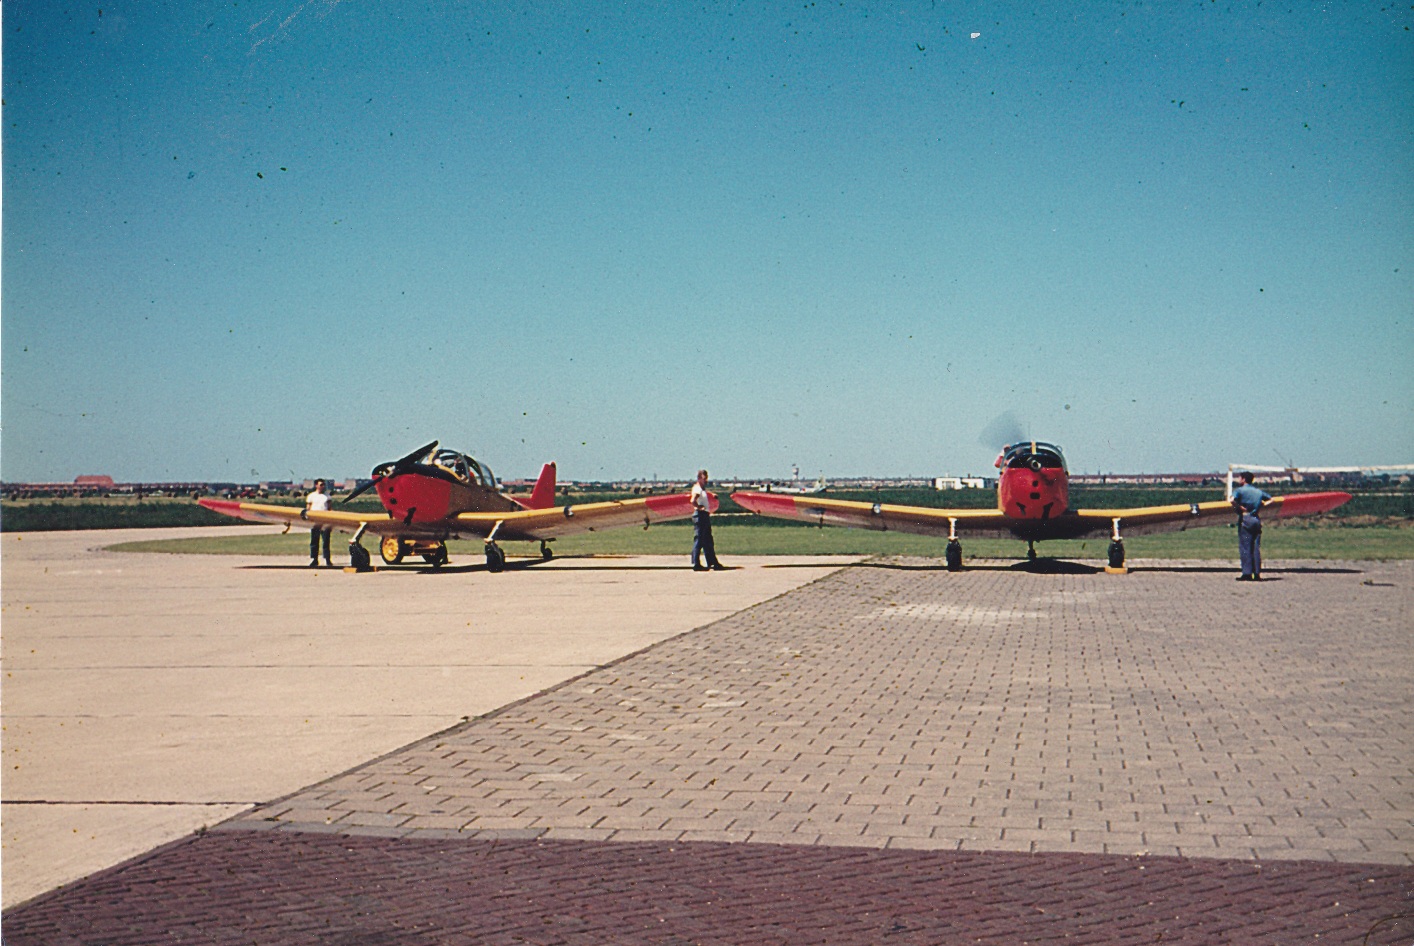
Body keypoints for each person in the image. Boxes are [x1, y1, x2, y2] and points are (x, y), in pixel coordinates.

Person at [1230, 471, 1272, 581]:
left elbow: (1231, 500)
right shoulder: (1258, 491)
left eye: (1240, 478)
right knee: (1255, 547)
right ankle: (1257, 573)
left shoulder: (1239, 490)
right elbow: (1271, 500)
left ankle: (1247, 573)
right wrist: (1262, 505)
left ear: (1243, 479)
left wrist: (1240, 507)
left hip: (1246, 518)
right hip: (1256, 518)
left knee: (1245, 546)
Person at [689, 469, 724, 571]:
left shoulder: (701, 489)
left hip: (704, 515)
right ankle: (696, 563)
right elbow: (693, 500)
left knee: (708, 540)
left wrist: (712, 494)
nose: (706, 481)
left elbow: (703, 494)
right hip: (700, 516)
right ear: (699, 478)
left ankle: (712, 562)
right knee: (699, 540)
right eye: (704, 479)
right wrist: (699, 507)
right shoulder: (697, 489)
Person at [305, 478, 333, 567]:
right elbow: (308, 509)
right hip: (315, 521)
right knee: (314, 541)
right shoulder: (311, 496)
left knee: (326, 541)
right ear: (316, 485)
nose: (322, 486)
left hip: (325, 521)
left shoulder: (327, 496)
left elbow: (329, 508)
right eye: (321, 485)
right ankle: (314, 559)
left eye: (323, 485)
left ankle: (327, 559)